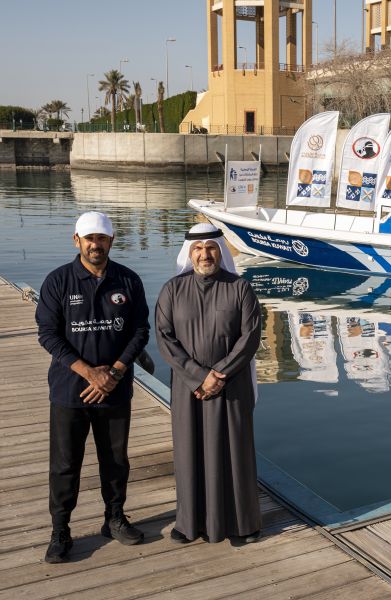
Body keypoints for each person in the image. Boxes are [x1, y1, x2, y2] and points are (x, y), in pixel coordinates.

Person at [36, 211, 150, 563]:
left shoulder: (128, 281)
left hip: (115, 389)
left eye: (101, 238)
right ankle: (60, 529)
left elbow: (140, 331)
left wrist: (113, 373)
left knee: (115, 460)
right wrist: (88, 372)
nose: (95, 244)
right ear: (77, 240)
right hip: (70, 391)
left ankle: (114, 518)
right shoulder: (58, 282)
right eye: (89, 238)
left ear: (111, 241)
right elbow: (48, 334)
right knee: (65, 463)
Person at [155, 223, 262, 544]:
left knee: (235, 452)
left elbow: (250, 336)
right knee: (190, 452)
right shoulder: (172, 290)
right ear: (189, 253)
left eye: (211, 248)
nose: (205, 254)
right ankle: (190, 524)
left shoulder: (240, 288)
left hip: (232, 386)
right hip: (190, 388)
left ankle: (242, 525)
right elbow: (164, 338)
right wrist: (200, 375)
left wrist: (220, 373)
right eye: (198, 249)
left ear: (221, 250)